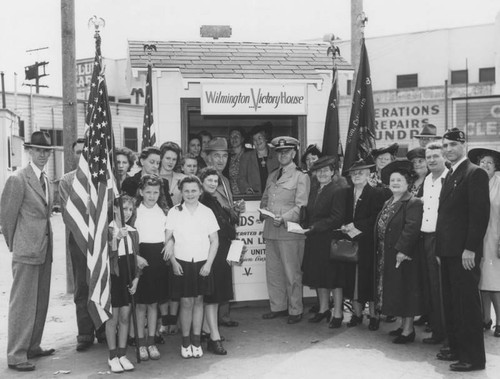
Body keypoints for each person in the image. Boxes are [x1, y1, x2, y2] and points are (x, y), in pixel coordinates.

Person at [435, 128, 490, 372]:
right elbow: (445, 216)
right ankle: (457, 349)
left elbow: (479, 216)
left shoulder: (474, 173)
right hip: (448, 251)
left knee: (467, 304)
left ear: (463, 145)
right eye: (445, 145)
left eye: (453, 144)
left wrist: (470, 249)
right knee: (452, 303)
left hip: (464, 253)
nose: (448, 149)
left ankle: (474, 358)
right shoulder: (450, 174)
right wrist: (440, 249)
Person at [1, 131, 55, 372]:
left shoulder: (46, 178)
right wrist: (17, 246)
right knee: (23, 303)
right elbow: (7, 218)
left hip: (44, 248)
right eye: (38, 150)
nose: (43, 155)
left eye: (46, 151)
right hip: (26, 249)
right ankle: (16, 354)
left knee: (40, 300)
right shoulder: (18, 179)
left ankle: (33, 345)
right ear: (29, 151)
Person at [59, 138, 105, 351]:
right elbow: (67, 214)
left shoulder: (100, 178)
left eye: (85, 152)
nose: (82, 156)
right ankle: (85, 333)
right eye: (78, 152)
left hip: (100, 237)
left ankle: (102, 328)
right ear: (73, 154)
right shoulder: (67, 181)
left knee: (101, 280)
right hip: (78, 238)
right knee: (82, 286)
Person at [166, 176, 219, 358]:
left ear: (200, 191)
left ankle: (196, 341)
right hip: (182, 264)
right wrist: (173, 262)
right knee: (186, 302)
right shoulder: (174, 212)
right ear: (181, 191)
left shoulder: (207, 212)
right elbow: (168, 240)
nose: (190, 194)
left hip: (203, 264)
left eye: (194, 190)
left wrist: (209, 264)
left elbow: (214, 241)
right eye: (186, 191)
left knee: (198, 302)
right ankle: (186, 341)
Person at [375, 159, 426, 344]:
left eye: (399, 180)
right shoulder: (388, 201)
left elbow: (411, 228)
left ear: (408, 184)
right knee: (397, 290)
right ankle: (402, 325)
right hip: (387, 254)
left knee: (406, 291)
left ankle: (408, 330)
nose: (395, 183)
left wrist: (402, 250)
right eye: (393, 180)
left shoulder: (413, 202)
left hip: (403, 255)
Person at [260, 136, 310, 324]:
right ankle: (278, 306)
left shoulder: (301, 176)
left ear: (294, 153)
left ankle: (295, 309)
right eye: (279, 152)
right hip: (271, 231)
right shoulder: (273, 175)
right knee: (273, 273)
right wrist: (263, 211)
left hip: (289, 232)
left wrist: (285, 218)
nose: (282, 155)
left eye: (286, 152)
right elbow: (265, 199)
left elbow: (301, 206)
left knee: (292, 273)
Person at [331, 159, 385, 330]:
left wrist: (357, 225)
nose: (356, 176)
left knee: (368, 278)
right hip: (350, 242)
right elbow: (341, 215)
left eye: (360, 173)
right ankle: (357, 314)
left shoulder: (376, 193)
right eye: (354, 173)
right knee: (352, 279)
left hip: (368, 242)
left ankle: (374, 316)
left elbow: (377, 217)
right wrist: (345, 226)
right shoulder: (346, 193)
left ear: (369, 175)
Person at [301, 156, 348, 327]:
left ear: (333, 172)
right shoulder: (314, 189)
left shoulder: (338, 189)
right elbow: (310, 212)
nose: (321, 174)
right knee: (319, 276)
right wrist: (303, 224)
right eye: (318, 171)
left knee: (333, 278)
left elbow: (336, 218)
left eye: (325, 171)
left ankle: (338, 314)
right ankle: (323, 309)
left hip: (329, 239)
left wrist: (314, 227)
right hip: (315, 240)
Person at [205, 137, 245, 328]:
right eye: (216, 156)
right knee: (215, 277)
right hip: (213, 238)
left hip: (226, 234)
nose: (221, 160)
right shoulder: (205, 179)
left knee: (224, 275)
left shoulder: (226, 180)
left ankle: (223, 316)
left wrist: (236, 208)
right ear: (208, 157)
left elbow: (226, 209)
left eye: (224, 156)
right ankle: (211, 321)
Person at [199, 167, 239, 355]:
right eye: (209, 181)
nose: (213, 184)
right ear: (202, 182)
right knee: (212, 297)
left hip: (222, 249)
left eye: (216, 181)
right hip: (211, 251)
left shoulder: (214, 200)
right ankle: (213, 337)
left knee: (214, 297)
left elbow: (228, 222)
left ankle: (208, 331)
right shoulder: (203, 201)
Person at [133, 175, 170, 361]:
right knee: (140, 304)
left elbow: (170, 233)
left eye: (155, 192)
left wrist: (170, 243)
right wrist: (135, 256)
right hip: (141, 256)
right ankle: (140, 343)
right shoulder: (134, 211)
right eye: (148, 191)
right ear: (141, 192)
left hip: (158, 258)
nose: (152, 195)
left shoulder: (163, 211)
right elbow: (129, 238)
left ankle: (151, 341)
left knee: (154, 303)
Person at [106, 196, 142, 373]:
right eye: (123, 209)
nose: (127, 213)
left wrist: (136, 279)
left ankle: (122, 354)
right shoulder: (108, 230)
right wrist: (117, 238)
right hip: (114, 276)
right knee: (113, 317)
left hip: (128, 275)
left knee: (125, 317)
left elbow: (136, 258)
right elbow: (106, 257)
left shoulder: (133, 231)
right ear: (114, 209)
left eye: (130, 209)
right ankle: (112, 356)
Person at [468, 148, 500, 337]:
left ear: (495, 166)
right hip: (478, 237)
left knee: (495, 281)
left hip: (496, 238)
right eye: (482, 162)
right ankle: (484, 318)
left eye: (489, 162)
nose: (485, 165)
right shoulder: (475, 182)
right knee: (481, 280)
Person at [419, 142, 448, 345]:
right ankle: (438, 332)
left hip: (442, 239)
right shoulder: (428, 179)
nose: (431, 160)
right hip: (426, 238)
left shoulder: (450, 178)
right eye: (428, 157)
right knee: (431, 287)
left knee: (444, 290)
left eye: (435, 156)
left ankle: (447, 336)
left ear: (444, 156)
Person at [238, 122, 279, 194]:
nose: (257, 141)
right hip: (254, 198)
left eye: (260, 138)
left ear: (265, 138)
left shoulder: (277, 155)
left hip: (274, 197)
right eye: (254, 139)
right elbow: (241, 179)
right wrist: (247, 189)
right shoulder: (246, 157)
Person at [224, 127, 248, 195]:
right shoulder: (227, 157)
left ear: (242, 139)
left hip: (248, 195)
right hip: (232, 195)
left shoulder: (249, 154)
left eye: (236, 136)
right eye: (231, 137)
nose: (234, 138)